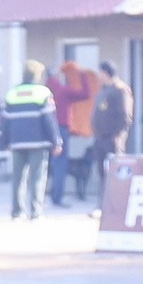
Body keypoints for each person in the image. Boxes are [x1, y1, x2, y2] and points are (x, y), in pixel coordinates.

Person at [0, 66, 57, 219]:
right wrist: (56, 141)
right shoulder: (43, 92)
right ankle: (36, 212)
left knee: (18, 178)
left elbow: (6, 121)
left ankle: (17, 212)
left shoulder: (12, 93)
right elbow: (49, 120)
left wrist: (4, 143)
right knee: (37, 177)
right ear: (37, 75)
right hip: (38, 143)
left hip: (17, 143)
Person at [48, 58, 96, 207]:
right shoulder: (63, 91)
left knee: (48, 163)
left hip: (44, 129)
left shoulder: (45, 90)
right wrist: (82, 75)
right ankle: (57, 197)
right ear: (56, 76)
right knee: (60, 163)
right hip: (61, 128)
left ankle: (46, 194)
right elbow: (86, 94)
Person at [90, 65, 130, 201]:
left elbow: (125, 115)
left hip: (112, 139)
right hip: (100, 138)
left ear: (105, 73)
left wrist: (119, 135)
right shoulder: (104, 90)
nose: (98, 75)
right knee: (102, 173)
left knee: (114, 173)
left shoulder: (120, 90)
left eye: (100, 72)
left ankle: (116, 203)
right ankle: (103, 204)